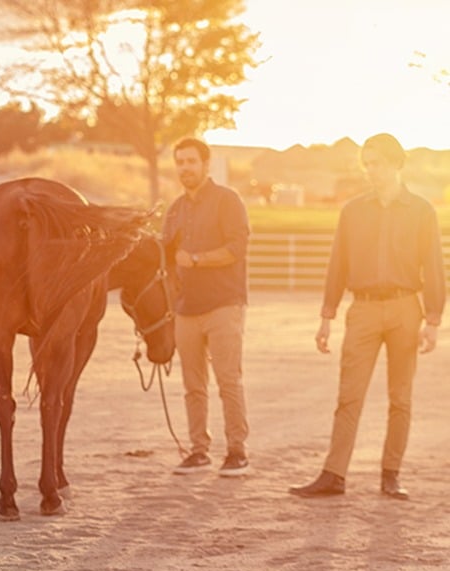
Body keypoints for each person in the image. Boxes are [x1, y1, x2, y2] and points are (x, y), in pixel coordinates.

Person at [289, 133, 444, 500]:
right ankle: (333, 474)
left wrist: (434, 321)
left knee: (400, 397)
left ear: (396, 163)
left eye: (377, 163)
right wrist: (327, 315)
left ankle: (391, 474)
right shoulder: (353, 210)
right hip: (362, 310)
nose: (370, 171)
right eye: (367, 164)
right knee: (349, 395)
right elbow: (337, 265)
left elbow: (434, 268)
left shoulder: (422, 210)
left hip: (407, 309)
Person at [162, 137, 252, 478]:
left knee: (228, 380)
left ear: (206, 164)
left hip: (224, 304)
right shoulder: (174, 210)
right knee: (192, 385)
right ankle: (198, 451)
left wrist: (197, 260)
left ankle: (237, 451)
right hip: (186, 308)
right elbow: (167, 257)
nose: (185, 168)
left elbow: (237, 248)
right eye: (180, 162)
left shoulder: (228, 201)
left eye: (191, 161)